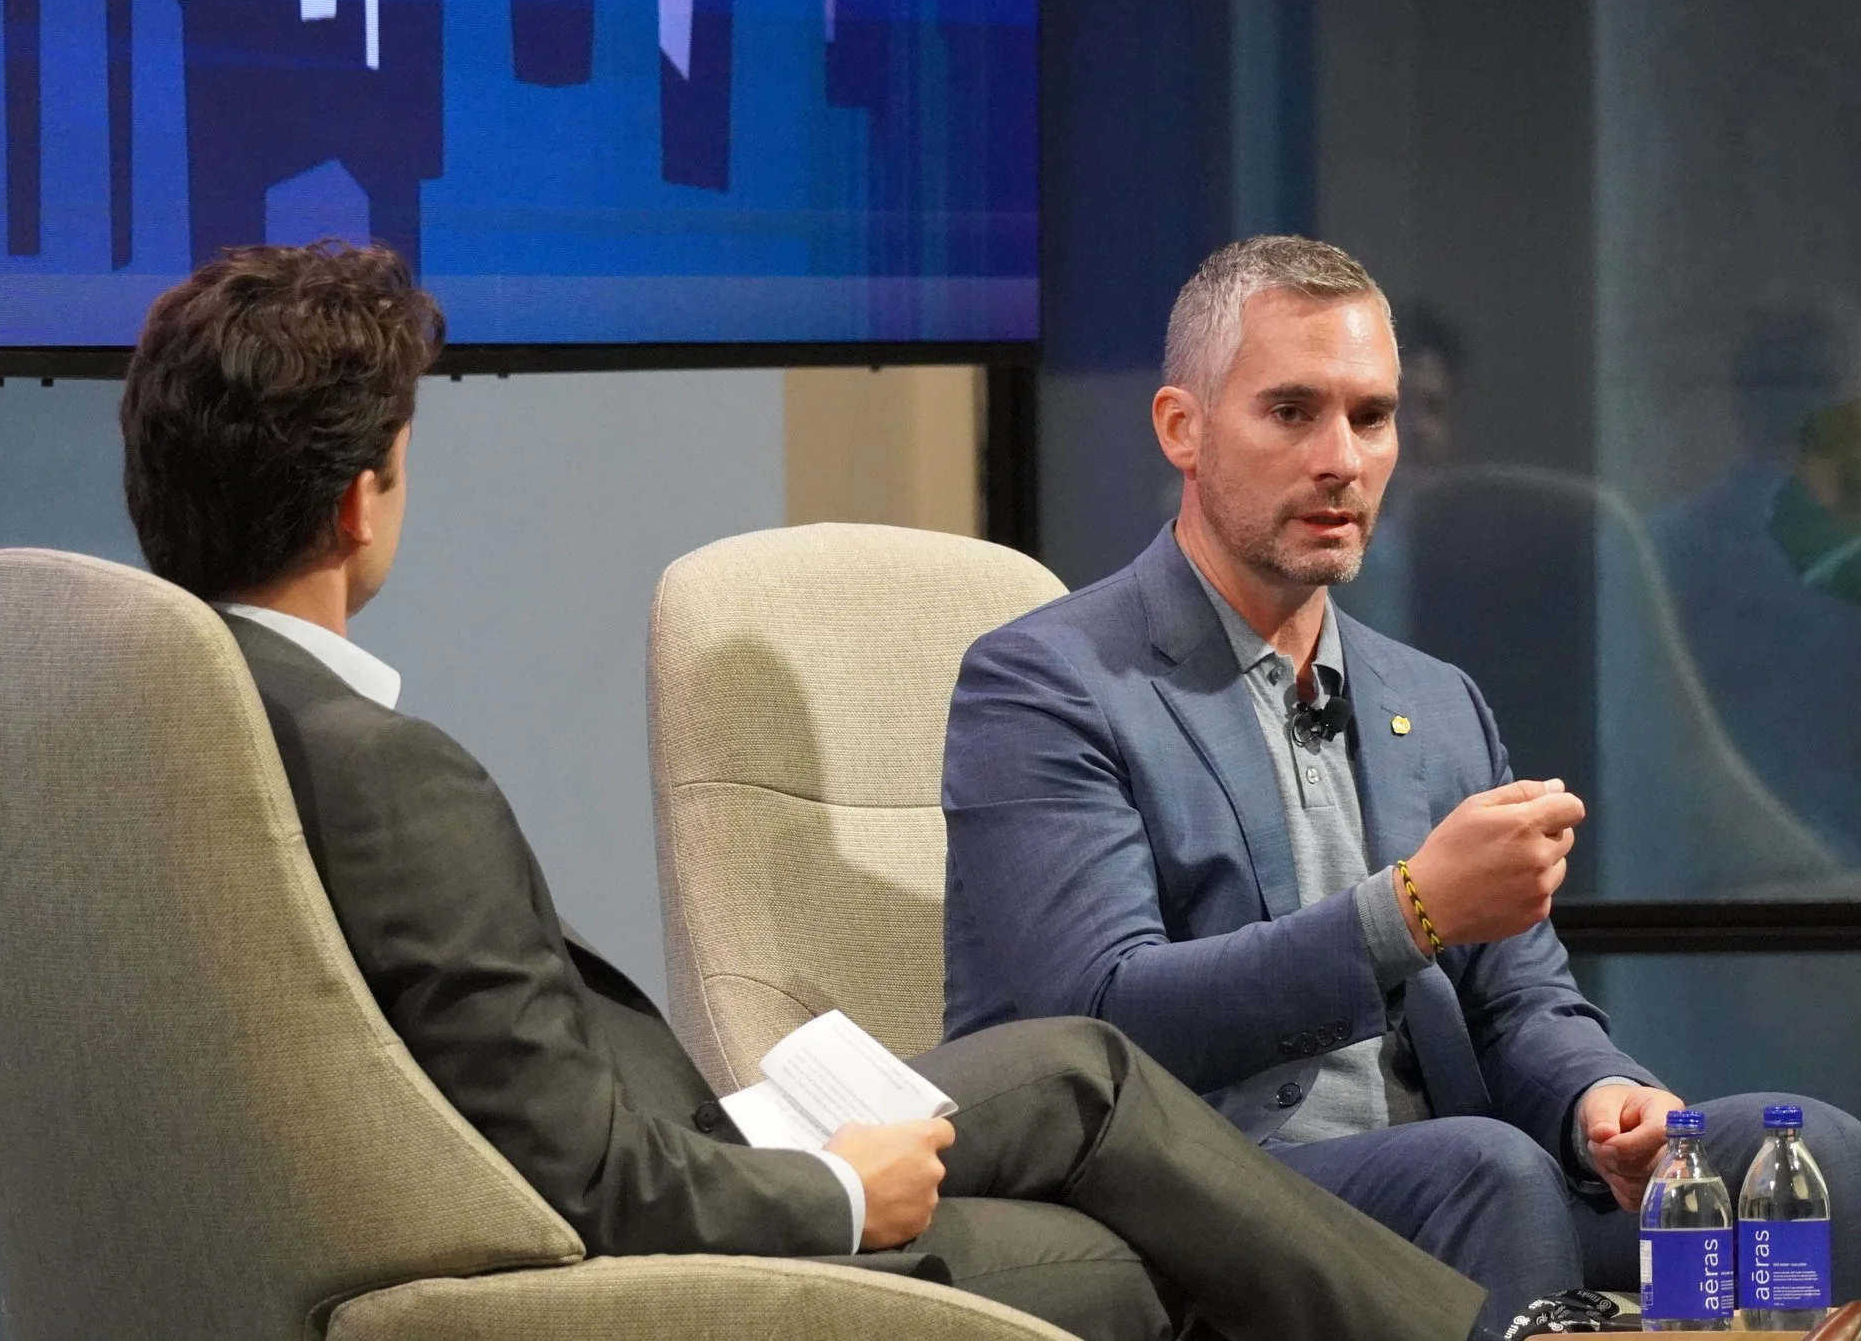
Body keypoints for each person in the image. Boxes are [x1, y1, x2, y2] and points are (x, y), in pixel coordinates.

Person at [115, 241, 1485, 1341]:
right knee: (1147, 1248)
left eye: (1369, 417)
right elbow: (584, 1176)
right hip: (669, 1211)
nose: (1346, 450)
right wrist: (835, 1184)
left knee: (1082, 1067)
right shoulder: (381, 770)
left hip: (682, 1143)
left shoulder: (193, 728)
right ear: (364, 503)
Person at [939, 236, 1861, 1339]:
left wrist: (1601, 1102)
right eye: (1291, 413)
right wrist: (1409, 913)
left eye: (1371, 417)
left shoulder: (1433, 701)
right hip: (1198, 1188)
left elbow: (1521, 1007)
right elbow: (1097, 1021)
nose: (1340, 458)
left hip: (1451, 1173)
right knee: (1482, 1170)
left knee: (1809, 1151)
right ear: (1181, 430)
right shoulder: (1046, 681)